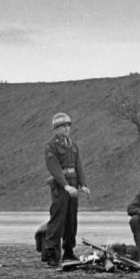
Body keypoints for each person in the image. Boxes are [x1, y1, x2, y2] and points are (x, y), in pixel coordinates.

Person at [43, 112, 90, 266]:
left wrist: (83, 184)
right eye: (63, 126)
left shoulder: (72, 145)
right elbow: (54, 168)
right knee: (57, 219)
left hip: (73, 186)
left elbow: (79, 166)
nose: (67, 129)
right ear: (56, 128)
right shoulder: (51, 146)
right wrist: (65, 185)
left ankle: (69, 250)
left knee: (71, 220)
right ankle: (51, 253)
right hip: (60, 187)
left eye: (68, 126)